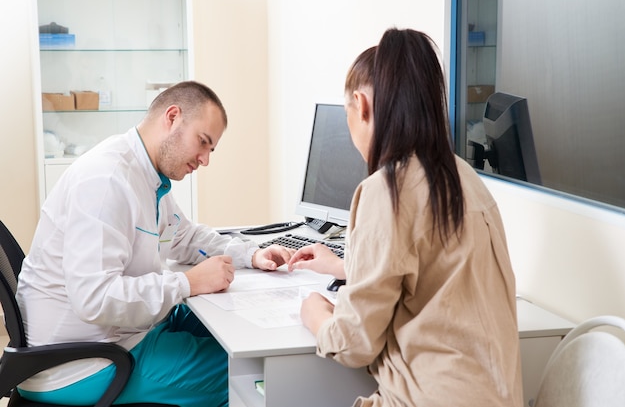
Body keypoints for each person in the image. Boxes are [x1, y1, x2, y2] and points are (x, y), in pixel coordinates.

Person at [16, 80, 293, 407]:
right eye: (202, 143)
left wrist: (253, 254)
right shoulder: (106, 182)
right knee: (253, 377)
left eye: (211, 150)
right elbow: (93, 299)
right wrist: (187, 283)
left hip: (121, 333)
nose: (205, 160)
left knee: (244, 338)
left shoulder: (146, 177)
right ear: (172, 117)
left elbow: (184, 237)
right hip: (78, 363)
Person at [288, 28, 523, 407]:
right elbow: (434, 274)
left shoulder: (386, 190)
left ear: (361, 106)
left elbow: (354, 344)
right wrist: (350, 268)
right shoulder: (465, 178)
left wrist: (314, 314)